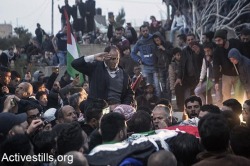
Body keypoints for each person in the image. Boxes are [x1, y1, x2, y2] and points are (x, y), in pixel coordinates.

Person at [213, 29, 244, 102]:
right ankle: (227, 111)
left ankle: (239, 109)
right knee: (226, 95)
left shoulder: (235, 43)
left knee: (239, 95)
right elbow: (215, 66)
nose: (217, 43)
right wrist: (216, 81)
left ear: (225, 39)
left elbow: (243, 55)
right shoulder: (217, 51)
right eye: (216, 41)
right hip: (226, 75)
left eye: (219, 40)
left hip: (238, 74)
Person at [131, 25, 160, 97]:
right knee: (147, 87)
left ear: (148, 30)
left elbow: (160, 44)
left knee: (157, 86)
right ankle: (149, 103)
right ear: (141, 32)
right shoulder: (139, 42)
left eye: (146, 30)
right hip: (146, 68)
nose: (145, 32)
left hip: (156, 67)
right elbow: (133, 53)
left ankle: (158, 101)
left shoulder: (153, 38)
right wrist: (139, 59)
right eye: (143, 31)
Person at [152, 32, 173, 99]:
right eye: (155, 41)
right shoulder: (155, 48)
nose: (157, 42)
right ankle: (165, 101)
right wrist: (156, 71)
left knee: (168, 86)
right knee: (163, 86)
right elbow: (155, 60)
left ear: (161, 38)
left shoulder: (168, 44)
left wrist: (164, 49)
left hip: (169, 68)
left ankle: (169, 100)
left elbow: (172, 53)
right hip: (160, 69)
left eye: (158, 40)